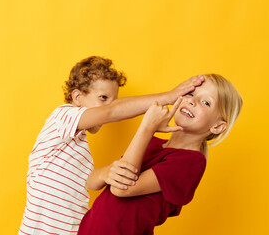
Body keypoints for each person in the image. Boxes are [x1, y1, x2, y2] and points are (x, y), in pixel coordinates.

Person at [18, 56, 205, 235]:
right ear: (77, 97)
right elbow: (111, 112)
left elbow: (91, 182)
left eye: (114, 100)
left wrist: (106, 173)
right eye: (103, 98)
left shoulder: (79, 151)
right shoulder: (62, 116)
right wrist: (169, 96)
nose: (110, 105)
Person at [78, 74, 243, 235]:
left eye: (206, 102)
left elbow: (121, 189)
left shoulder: (190, 162)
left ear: (217, 126)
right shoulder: (152, 142)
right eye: (191, 94)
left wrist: (147, 127)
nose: (192, 100)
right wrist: (105, 173)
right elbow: (92, 181)